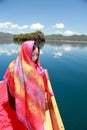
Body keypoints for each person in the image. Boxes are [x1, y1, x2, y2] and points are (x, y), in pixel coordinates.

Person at [3, 40, 54, 130]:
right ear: (25, 52)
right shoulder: (26, 71)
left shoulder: (15, 62)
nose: (34, 58)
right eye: (32, 55)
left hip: (13, 99)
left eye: (37, 55)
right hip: (16, 102)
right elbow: (33, 87)